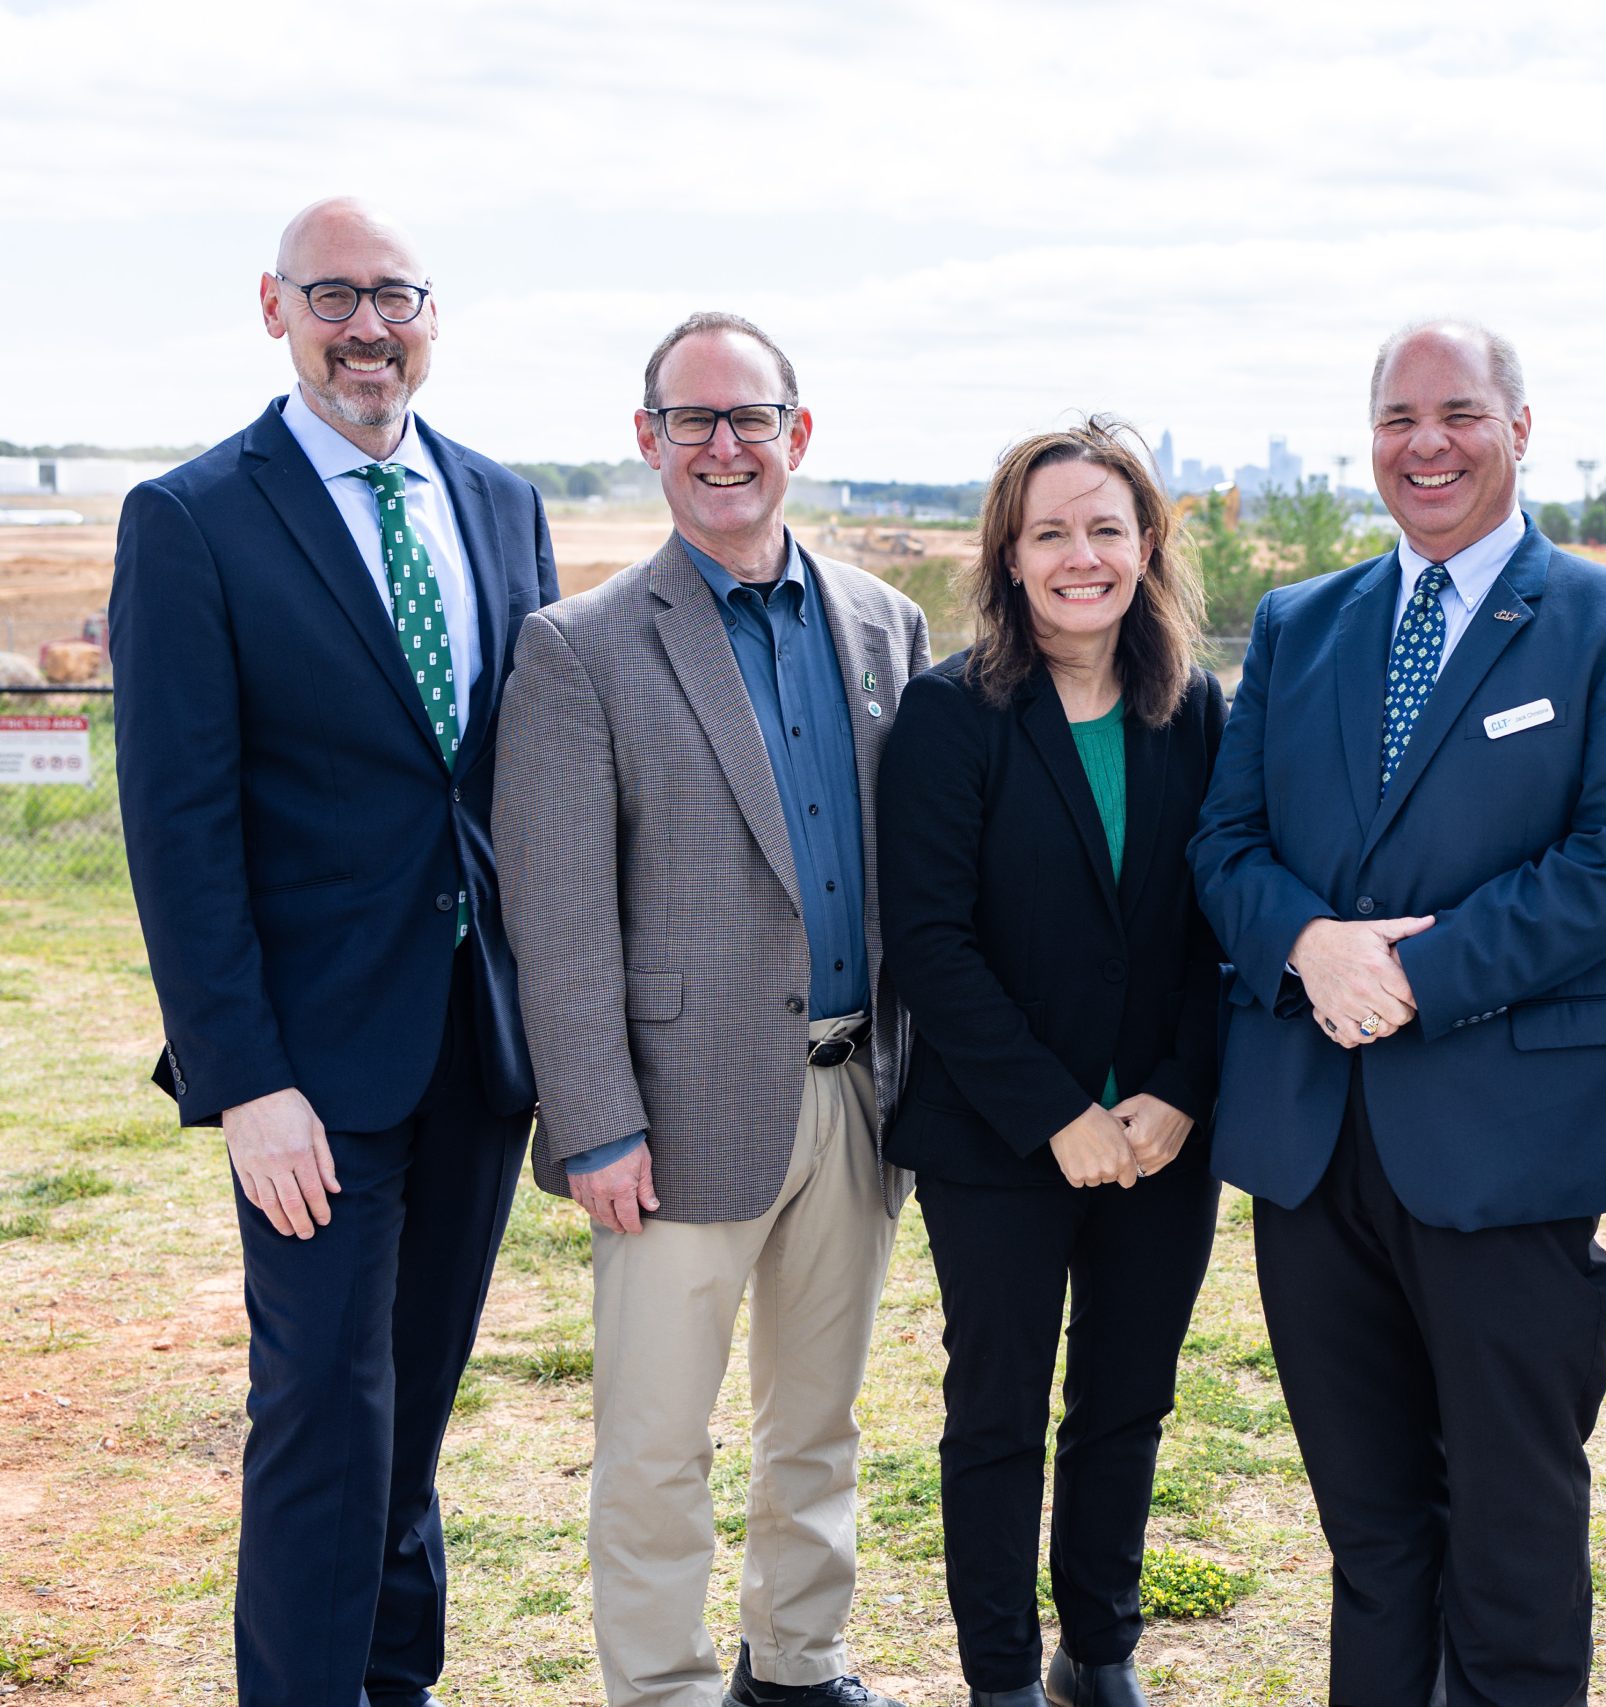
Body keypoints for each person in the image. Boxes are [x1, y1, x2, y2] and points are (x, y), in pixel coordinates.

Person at [1190, 319, 1606, 1704]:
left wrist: (1410, 976)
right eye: (1399, 418)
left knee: (1514, 1526)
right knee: (1369, 1528)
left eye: (1460, 414)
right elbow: (1224, 845)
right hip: (1311, 1145)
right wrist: (1306, 943)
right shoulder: (1304, 626)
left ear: (1520, 428)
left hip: (1507, 1136)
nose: (1427, 444)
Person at [108, 197, 557, 1707]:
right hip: (306, 1072)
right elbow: (178, 828)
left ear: (433, 316)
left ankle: (394, 1681)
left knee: (414, 1406)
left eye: (397, 297)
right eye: (335, 296)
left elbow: (510, 782)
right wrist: (245, 1081)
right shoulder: (191, 520)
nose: (369, 327)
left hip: (475, 1045)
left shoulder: (501, 505)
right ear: (273, 307)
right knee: (322, 1411)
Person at [492, 312, 929, 1707]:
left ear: (799, 435)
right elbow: (555, 920)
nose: (724, 446)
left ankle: (798, 1662)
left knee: (818, 1421)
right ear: (650, 441)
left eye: (750, 420)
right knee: (657, 1440)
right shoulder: (582, 648)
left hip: (857, 1091)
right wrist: (596, 1124)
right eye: (694, 421)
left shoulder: (884, 623)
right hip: (672, 1120)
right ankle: (668, 1686)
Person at [877, 417, 1226, 1707]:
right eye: (1051, 533)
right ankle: (1003, 1677)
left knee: (1128, 1400)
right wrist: (1053, 1114)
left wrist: (1181, 1091)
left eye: (1105, 529)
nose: (1081, 556)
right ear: (1009, 558)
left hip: (1159, 1134)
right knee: (999, 1417)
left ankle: (1101, 1648)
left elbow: (1216, 923)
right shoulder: (950, 714)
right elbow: (928, 941)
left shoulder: (1195, 710)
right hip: (996, 1137)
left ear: (1146, 547)